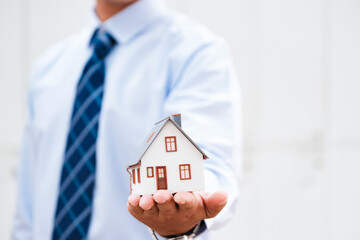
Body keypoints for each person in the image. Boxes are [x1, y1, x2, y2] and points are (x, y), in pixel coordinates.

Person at [12, 0, 241, 239]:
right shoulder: (47, 69)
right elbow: (28, 210)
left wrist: (191, 207)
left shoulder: (197, 53)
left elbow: (209, 161)